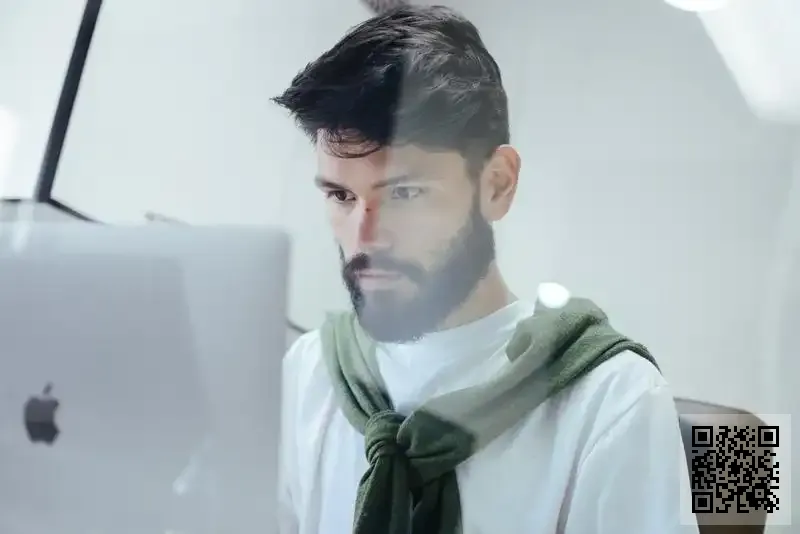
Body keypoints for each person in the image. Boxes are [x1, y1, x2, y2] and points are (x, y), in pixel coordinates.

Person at [273, 5, 697, 534]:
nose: (364, 238)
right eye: (341, 195)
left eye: (405, 193)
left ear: (497, 184)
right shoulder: (310, 372)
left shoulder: (616, 398)